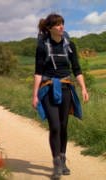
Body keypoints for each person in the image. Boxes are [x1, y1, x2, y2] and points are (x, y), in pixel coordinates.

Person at [32, 13, 89, 179]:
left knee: (64, 126)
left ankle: (63, 159)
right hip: (48, 89)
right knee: (55, 126)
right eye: (57, 24)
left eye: (62, 23)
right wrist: (35, 95)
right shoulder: (42, 47)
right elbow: (38, 72)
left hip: (66, 89)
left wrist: (84, 88)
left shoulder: (69, 45)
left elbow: (77, 69)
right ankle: (56, 163)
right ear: (50, 28)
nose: (61, 26)